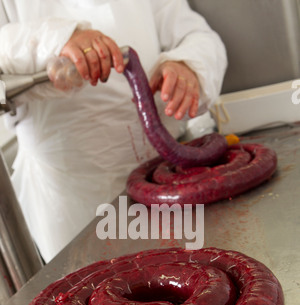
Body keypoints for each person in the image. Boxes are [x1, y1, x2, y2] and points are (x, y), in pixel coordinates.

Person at [0, 0, 227, 263]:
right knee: (93, 290)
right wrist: (54, 38)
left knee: (180, 276)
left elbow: (197, 34)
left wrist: (187, 64)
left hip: (164, 180)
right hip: (71, 200)